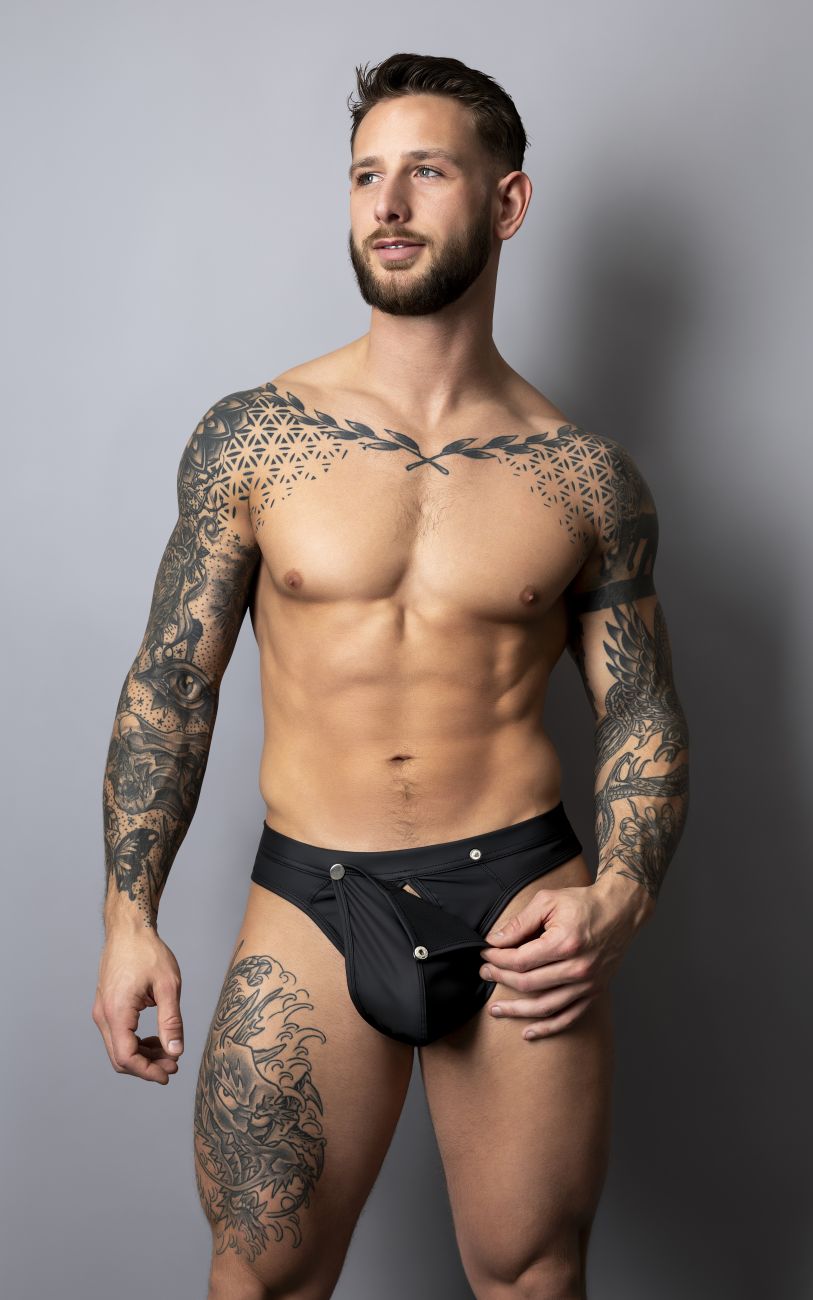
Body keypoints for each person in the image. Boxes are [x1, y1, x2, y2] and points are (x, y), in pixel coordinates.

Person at [93, 51, 689, 1300]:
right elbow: (172, 684)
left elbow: (639, 707)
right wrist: (128, 914)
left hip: (521, 900)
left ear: (508, 202)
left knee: (532, 1277)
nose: (390, 204)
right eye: (367, 175)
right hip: (315, 897)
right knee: (262, 1279)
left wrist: (620, 901)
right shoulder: (256, 438)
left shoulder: (585, 476)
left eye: (427, 172)